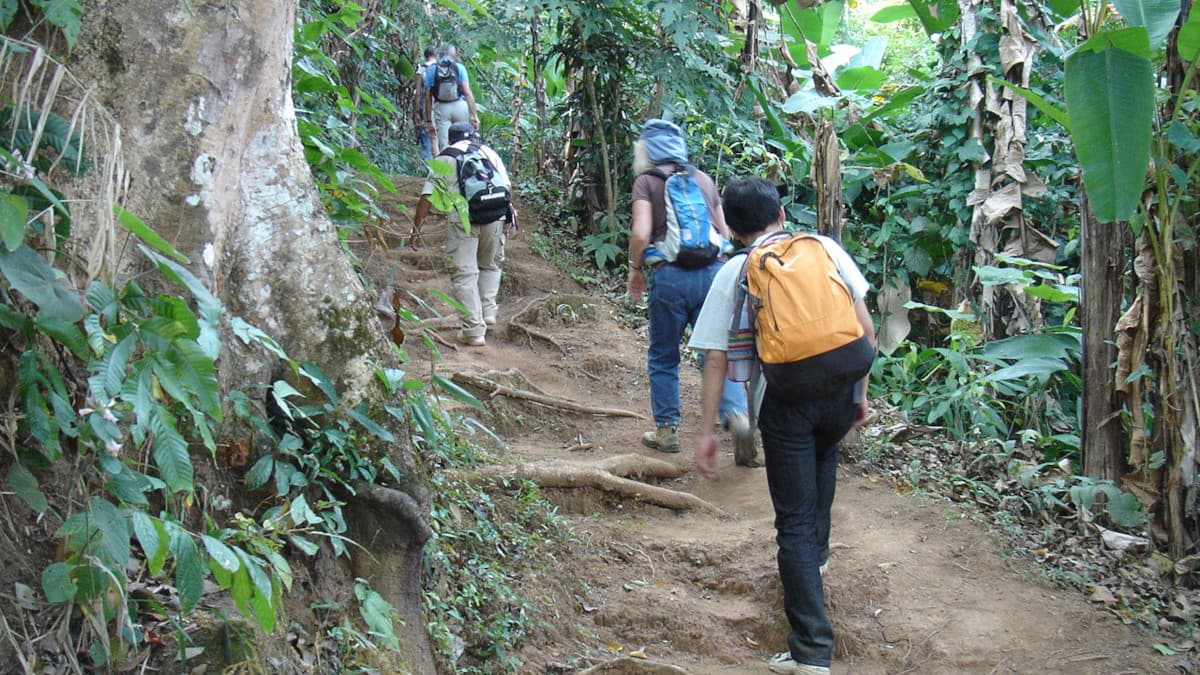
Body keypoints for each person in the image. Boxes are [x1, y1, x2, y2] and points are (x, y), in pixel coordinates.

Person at [687, 178, 875, 675]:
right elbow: (865, 327)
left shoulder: (735, 270)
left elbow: (715, 359)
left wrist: (707, 432)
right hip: (841, 384)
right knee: (824, 460)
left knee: (792, 519)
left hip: (787, 397)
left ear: (729, 225)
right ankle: (816, 562)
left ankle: (812, 651)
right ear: (782, 214)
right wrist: (860, 394)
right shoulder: (824, 248)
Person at [626, 118, 753, 459]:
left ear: (647, 150)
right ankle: (737, 415)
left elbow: (641, 234)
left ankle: (666, 431)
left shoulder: (646, 182)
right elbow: (724, 233)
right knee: (717, 349)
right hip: (713, 273)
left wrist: (635, 270)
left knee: (664, 355)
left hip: (669, 277)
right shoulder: (703, 179)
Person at [409, 122, 514, 347]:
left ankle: (474, 331)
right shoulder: (488, 152)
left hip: (464, 219)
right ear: (474, 136)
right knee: (490, 265)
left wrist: (416, 228)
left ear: (450, 138)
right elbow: (506, 187)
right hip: (495, 216)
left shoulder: (444, 158)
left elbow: (427, 197)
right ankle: (488, 311)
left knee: (465, 274)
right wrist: (507, 214)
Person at [423, 44, 480, 153]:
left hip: (441, 108)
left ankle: (448, 167)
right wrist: (474, 115)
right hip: (460, 106)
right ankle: (462, 165)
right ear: (454, 55)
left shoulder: (432, 69)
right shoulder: (459, 67)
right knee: (463, 141)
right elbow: (467, 92)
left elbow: (427, 97)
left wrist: (429, 121)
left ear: (439, 55)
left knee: (444, 145)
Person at [413, 46, 437, 159]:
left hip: (426, 107)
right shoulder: (441, 68)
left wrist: (416, 112)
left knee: (427, 139)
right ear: (436, 56)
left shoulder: (421, 69)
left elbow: (417, 93)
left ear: (425, 56)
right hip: (441, 107)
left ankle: (429, 169)